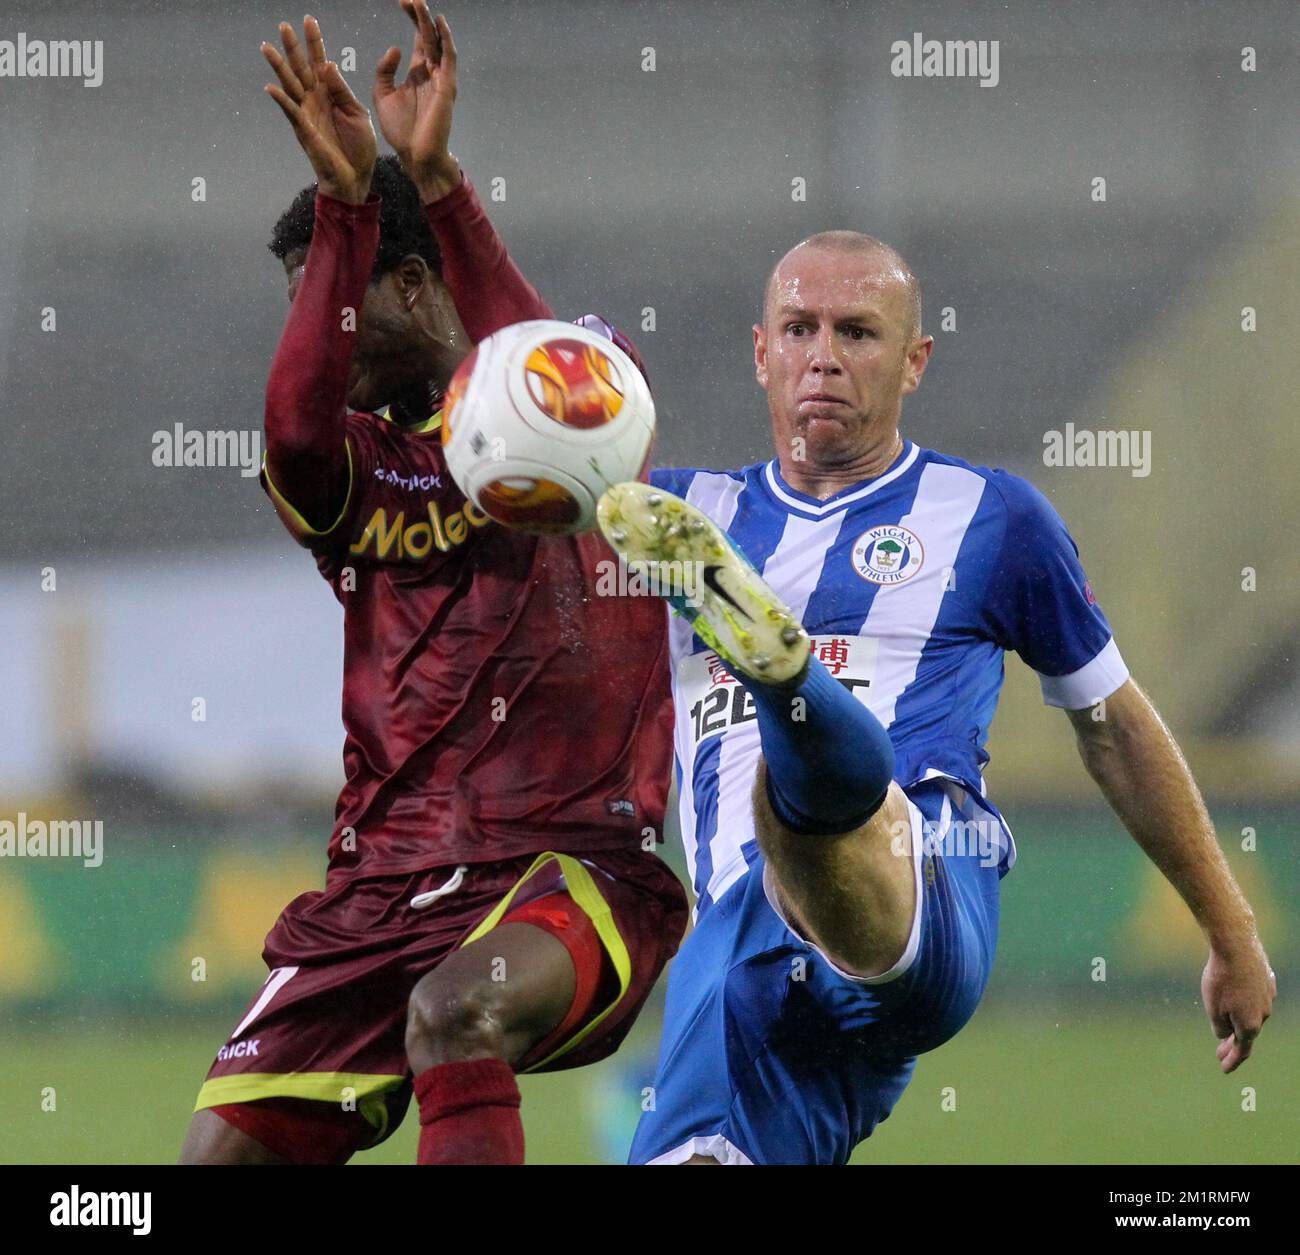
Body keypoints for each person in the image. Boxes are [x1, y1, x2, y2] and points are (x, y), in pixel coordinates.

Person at [593, 227, 1276, 1165]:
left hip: (926, 890)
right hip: (745, 967)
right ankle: (787, 696)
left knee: (798, 813)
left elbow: (1112, 726)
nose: (823, 356)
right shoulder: (673, 520)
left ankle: (786, 682)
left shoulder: (992, 519)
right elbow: (486, 478)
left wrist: (1231, 929)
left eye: (858, 333)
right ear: (761, 353)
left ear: (915, 361)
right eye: (798, 328)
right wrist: (436, 195)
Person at [179, 4, 686, 1166]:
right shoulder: (355, 469)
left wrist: (439, 183)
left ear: (408, 288)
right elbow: (294, 421)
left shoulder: (578, 401)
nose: (311, 321)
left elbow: (549, 381)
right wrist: (357, 200)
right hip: (377, 885)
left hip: (569, 867)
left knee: (456, 1013)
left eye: (330, 289)